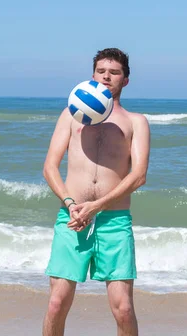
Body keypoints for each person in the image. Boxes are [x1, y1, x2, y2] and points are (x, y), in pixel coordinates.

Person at [42, 48, 150, 336]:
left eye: (114, 72)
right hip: (72, 218)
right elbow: (50, 168)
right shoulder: (70, 115)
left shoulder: (135, 121)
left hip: (114, 222)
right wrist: (71, 204)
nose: (106, 76)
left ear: (125, 80)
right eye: (101, 71)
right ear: (92, 76)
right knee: (56, 304)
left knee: (124, 309)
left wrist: (97, 206)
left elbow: (138, 176)